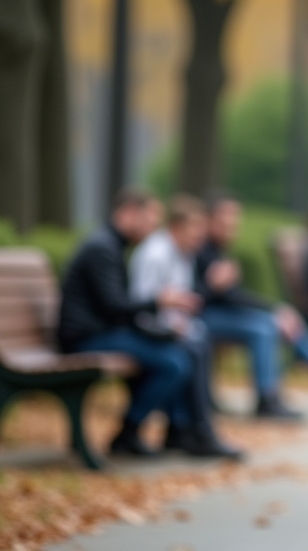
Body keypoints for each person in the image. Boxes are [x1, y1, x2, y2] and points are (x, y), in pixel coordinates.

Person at [57, 188, 233, 458]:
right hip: (85, 337)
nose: (154, 226)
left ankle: (181, 430)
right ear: (129, 213)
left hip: (102, 331)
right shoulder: (102, 248)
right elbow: (114, 306)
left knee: (180, 351)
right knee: (175, 362)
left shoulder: (110, 245)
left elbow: (117, 306)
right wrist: (160, 302)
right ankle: (131, 431)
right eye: (150, 218)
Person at [194, 193, 308, 421]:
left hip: (216, 313)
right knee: (265, 328)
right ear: (208, 220)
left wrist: (273, 309)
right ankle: (272, 397)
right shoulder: (201, 249)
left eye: (235, 220)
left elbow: (229, 296)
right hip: (201, 318)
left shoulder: (217, 249)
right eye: (226, 220)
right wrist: (213, 285)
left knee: (275, 321)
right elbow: (204, 296)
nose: (232, 226)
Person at [127, 194, 243, 459]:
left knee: (198, 340)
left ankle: (186, 430)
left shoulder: (183, 254)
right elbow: (142, 306)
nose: (200, 238)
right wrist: (177, 324)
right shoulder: (156, 254)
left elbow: (183, 301)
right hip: (146, 329)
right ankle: (198, 432)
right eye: (195, 231)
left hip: (168, 327)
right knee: (191, 348)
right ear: (177, 228)